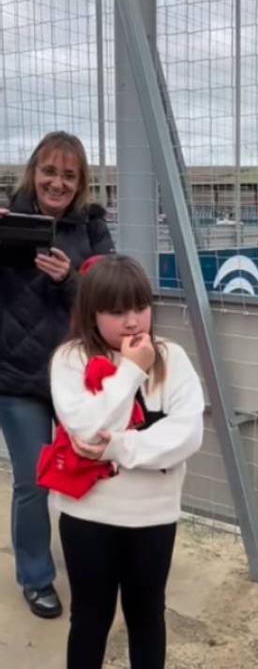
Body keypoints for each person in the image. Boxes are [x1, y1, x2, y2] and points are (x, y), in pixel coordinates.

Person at [49, 255, 204, 669]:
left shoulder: (172, 358)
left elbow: (186, 434)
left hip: (152, 516)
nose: (133, 321)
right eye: (117, 312)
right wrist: (131, 372)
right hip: (88, 515)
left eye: (140, 307)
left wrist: (119, 448)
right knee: (89, 617)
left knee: (147, 615)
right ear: (91, 314)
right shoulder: (70, 359)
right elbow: (85, 429)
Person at [0, 131, 114, 619]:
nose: (57, 182)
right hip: (16, 377)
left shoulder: (90, 226)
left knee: (88, 471)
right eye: (49, 171)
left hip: (76, 377)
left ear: (81, 182)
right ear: (33, 172)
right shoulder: (6, 220)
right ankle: (36, 575)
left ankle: (90, 561)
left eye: (69, 175)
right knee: (33, 480)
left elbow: (112, 293)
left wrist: (71, 279)